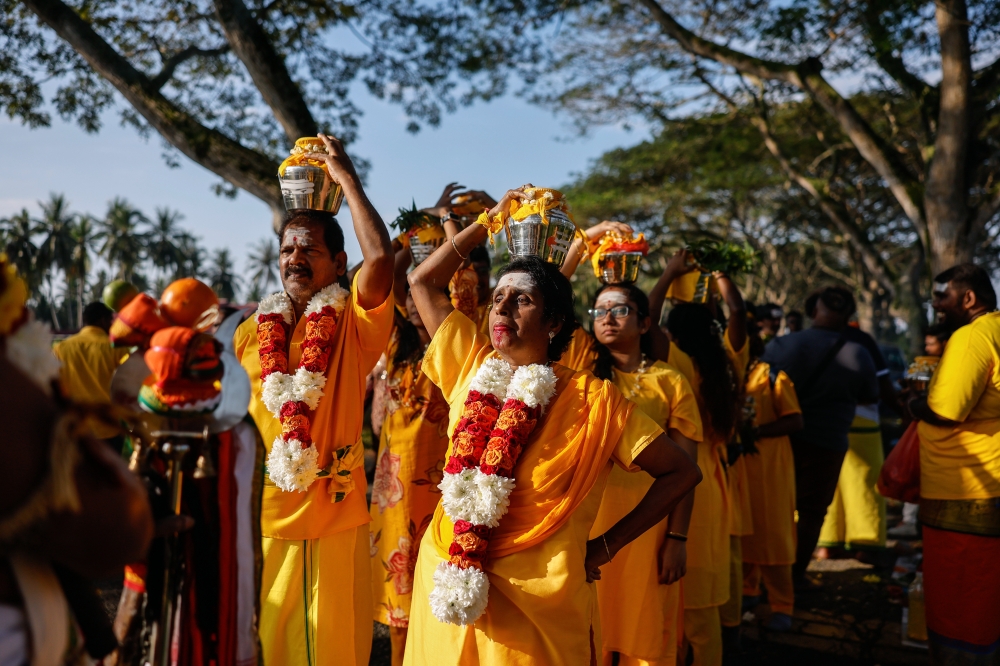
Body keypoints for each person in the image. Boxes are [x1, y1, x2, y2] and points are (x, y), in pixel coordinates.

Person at [402, 187, 702, 665]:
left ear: (556, 321)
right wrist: (493, 221)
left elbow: (682, 472)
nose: (500, 309)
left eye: (521, 300)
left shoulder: (593, 398)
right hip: (447, 573)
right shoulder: (469, 366)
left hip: (539, 601)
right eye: (498, 297)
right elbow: (421, 281)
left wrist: (606, 546)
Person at [234, 133, 394, 666]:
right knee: (266, 645)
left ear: (338, 262)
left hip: (330, 516)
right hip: (262, 516)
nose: (294, 258)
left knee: (329, 650)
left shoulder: (353, 321)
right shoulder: (251, 333)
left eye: (309, 249)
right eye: (287, 249)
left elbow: (382, 258)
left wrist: (346, 178)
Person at [586, 284, 703, 666]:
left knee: (645, 630)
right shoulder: (580, 375)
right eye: (599, 310)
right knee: (591, 627)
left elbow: (687, 469)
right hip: (590, 522)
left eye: (619, 309)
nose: (607, 317)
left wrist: (677, 538)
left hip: (649, 525)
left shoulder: (670, 380)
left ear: (644, 322)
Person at [648, 249, 748, 666]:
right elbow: (738, 313)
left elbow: (647, 324)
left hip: (684, 479)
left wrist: (670, 273)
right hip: (716, 479)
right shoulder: (728, 361)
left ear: (674, 334)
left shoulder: (678, 363)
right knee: (704, 608)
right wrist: (720, 274)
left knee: (674, 599)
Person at [907, 264, 1000, 665]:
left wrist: (913, 404)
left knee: (964, 594)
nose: (934, 304)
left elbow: (945, 411)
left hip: (967, 489)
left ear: (968, 298)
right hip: (987, 482)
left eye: (941, 295)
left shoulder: (971, 337)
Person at [762, 286, 878, 590]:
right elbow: (870, 395)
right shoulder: (859, 353)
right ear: (848, 315)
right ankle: (795, 576)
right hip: (829, 442)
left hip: (780, 441)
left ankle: (764, 576)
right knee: (813, 513)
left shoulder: (780, 345)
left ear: (813, 311)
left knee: (775, 508)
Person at [369, 244, 451, 665]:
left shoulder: (454, 348)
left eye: (427, 297)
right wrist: (412, 234)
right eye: (411, 298)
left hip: (439, 483)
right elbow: (390, 276)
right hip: (395, 485)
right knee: (399, 589)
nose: (416, 306)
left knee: (437, 582)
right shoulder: (393, 345)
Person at [740, 318, 803, 632]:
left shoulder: (774, 377)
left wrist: (755, 432)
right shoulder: (727, 375)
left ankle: (782, 605)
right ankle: (748, 590)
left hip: (771, 471)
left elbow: (794, 421)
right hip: (739, 470)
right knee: (743, 532)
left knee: (774, 537)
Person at [817, 319, 892, 559]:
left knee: (827, 483)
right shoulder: (862, 341)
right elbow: (882, 386)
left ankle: (826, 544)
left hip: (823, 422)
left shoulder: (809, 340)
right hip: (863, 422)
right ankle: (865, 544)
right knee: (864, 484)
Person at [53, 302, 123, 439]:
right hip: (108, 427)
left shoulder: (60, 348)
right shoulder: (116, 348)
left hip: (75, 426)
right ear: (103, 321)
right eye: (110, 321)